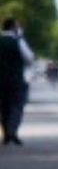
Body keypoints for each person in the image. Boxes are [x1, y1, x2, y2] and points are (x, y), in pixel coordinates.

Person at [1, 18, 35, 146]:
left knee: (4, 107)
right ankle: (12, 132)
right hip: (16, 79)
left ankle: (6, 134)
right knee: (16, 106)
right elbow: (30, 58)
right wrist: (21, 38)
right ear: (13, 28)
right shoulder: (18, 41)